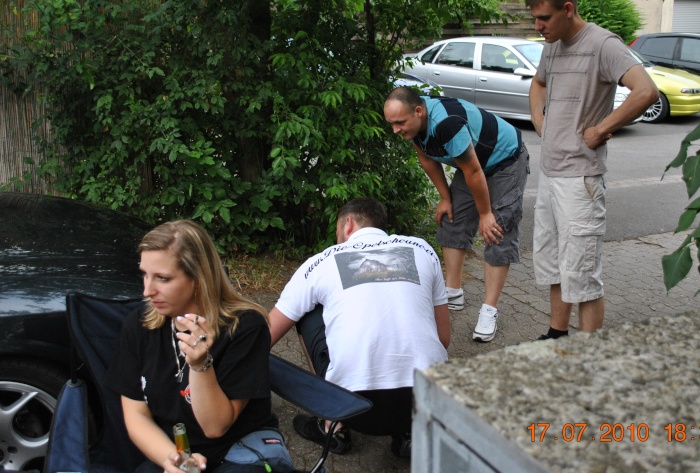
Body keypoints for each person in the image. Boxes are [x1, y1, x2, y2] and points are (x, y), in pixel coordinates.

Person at [526, 0, 658, 339]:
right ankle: (556, 334)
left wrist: (600, 130)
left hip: (580, 180)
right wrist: (540, 119)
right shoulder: (552, 46)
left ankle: (589, 353)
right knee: (554, 264)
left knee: (582, 274)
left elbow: (646, 91)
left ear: (568, 9)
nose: (538, 27)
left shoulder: (603, 44)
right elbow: (538, 83)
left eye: (544, 19)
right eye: (535, 19)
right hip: (550, 174)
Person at [268, 197, 449, 457]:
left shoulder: (321, 262)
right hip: (427, 404)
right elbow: (443, 338)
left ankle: (333, 424)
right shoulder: (422, 249)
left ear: (348, 224)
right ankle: (409, 434)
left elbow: (266, 336)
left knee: (307, 312)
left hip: (354, 409)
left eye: (337, 234)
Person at [107, 220, 277, 473]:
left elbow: (216, 427)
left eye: (162, 279)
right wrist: (175, 461)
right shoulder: (140, 326)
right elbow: (136, 415)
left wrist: (200, 365)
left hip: (237, 451)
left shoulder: (243, 327)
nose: (147, 291)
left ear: (198, 278)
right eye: (144, 274)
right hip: (173, 450)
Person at [383, 87, 529, 342]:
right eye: (391, 124)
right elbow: (428, 159)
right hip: (473, 163)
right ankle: (453, 292)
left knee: (496, 231)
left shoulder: (447, 123)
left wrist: (485, 214)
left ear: (418, 111)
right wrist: (445, 198)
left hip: (505, 161)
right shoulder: (415, 124)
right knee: (451, 220)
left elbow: (473, 172)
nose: (396, 130)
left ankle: (489, 310)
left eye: (399, 123)